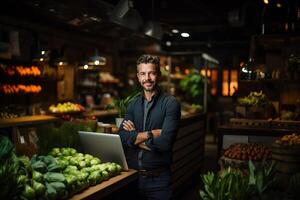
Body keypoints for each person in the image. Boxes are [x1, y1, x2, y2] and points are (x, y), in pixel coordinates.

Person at [119, 54, 181, 200]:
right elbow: (122, 137)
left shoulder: (170, 103)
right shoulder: (133, 104)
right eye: (143, 73)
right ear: (138, 76)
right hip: (132, 177)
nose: (147, 78)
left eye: (151, 73)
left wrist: (134, 137)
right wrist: (151, 134)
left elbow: (165, 143)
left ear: (158, 74)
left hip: (158, 181)